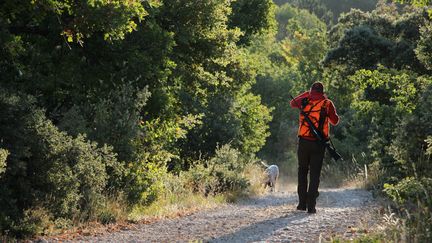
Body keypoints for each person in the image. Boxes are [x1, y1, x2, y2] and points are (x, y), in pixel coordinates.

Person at [290, 82, 340, 214]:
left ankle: (302, 203)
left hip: (304, 142)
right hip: (319, 144)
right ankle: (311, 206)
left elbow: (292, 103)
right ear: (323, 92)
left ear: (311, 90)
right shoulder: (327, 103)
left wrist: (307, 93)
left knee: (302, 171)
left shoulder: (304, 101)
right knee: (315, 174)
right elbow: (335, 121)